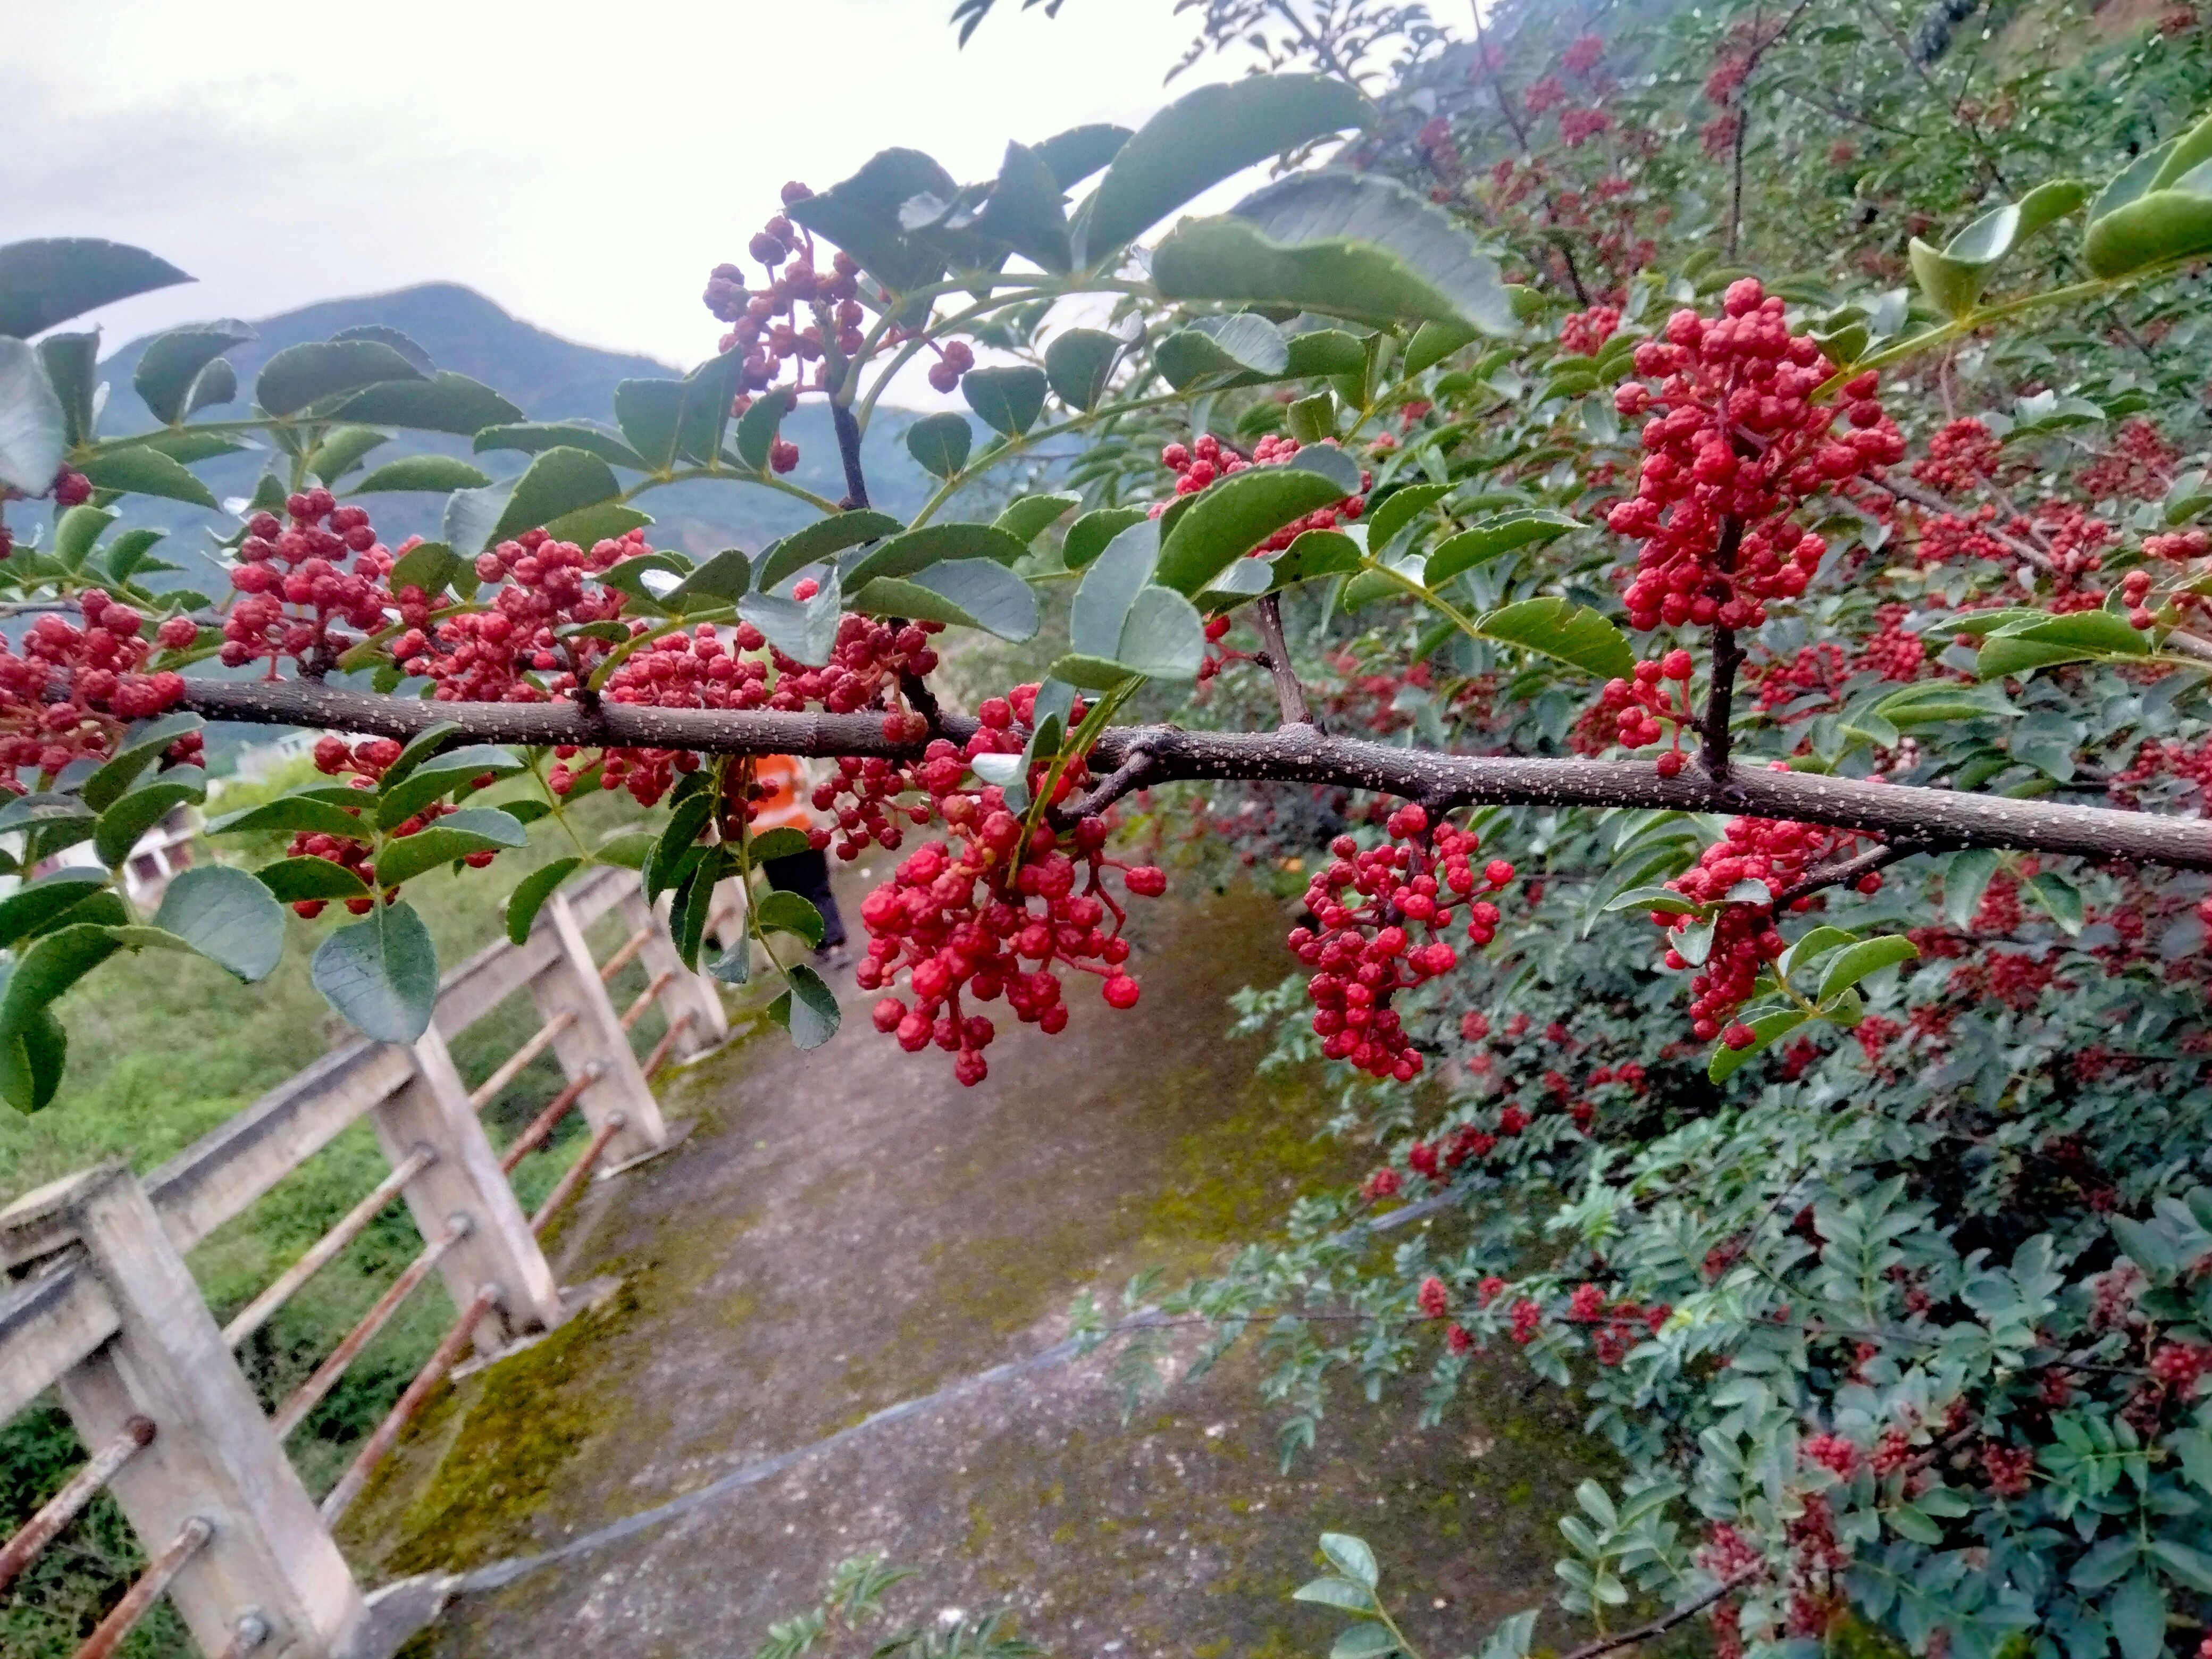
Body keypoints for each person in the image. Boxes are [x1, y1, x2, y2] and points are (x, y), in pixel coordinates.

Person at [748, 754, 850, 967]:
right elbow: (801, 786)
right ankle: (835, 944)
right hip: (800, 830)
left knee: (792, 897)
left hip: (769, 843)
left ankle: (817, 944)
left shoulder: (738, 769)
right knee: (818, 888)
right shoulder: (781, 756)